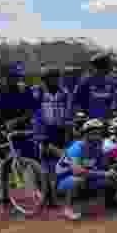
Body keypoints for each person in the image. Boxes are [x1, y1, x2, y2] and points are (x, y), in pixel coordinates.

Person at [0, 60, 40, 216]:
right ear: (4, 76)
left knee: (32, 158)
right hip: (1, 131)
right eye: (12, 76)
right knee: (3, 161)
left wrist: (17, 121)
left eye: (17, 77)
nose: (15, 80)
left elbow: (33, 110)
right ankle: (5, 196)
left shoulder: (24, 90)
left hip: (22, 129)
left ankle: (41, 193)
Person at [54, 118, 117, 221]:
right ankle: (67, 208)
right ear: (86, 135)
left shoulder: (98, 147)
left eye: (99, 133)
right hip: (63, 180)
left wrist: (113, 171)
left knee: (113, 176)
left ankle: (109, 202)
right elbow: (77, 171)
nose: (97, 136)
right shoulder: (76, 148)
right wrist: (105, 174)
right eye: (94, 133)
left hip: (86, 177)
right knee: (78, 179)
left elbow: (103, 166)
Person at [31, 66, 73, 207]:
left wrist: (68, 131)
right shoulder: (38, 92)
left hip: (59, 130)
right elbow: (35, 113)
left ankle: (54, 193)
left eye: (56, 78)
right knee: (46, 163)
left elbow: (68, 114)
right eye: (50, 78)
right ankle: (46, 194)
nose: (54, 81)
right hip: (44, 130)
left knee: (59, 162)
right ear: (44, 80)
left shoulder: (64, 93)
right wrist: (39, 133)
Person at [73, 53, 117, 121]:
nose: (109, 68)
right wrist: (80, 113)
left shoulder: (111, 83)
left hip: (107, 121)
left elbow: (114, 102)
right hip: (89, 121)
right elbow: (76, 102)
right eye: (108, 65)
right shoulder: (85, 82)